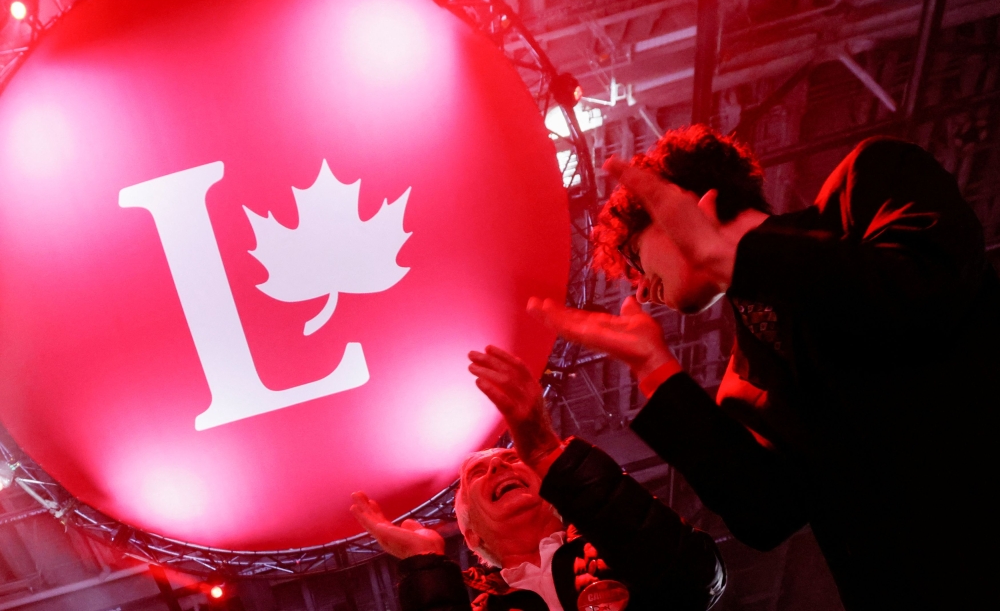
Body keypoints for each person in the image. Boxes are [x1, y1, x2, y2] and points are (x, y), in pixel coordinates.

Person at [527, 127, 1000, 610]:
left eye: (633, 259)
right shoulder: (741, 383)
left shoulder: (870, 182)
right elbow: (769, 514)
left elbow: (923, 293)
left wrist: (736, 259)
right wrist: (655, 370)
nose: (642, 292)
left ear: (684, 200)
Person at [352, 345, 726, 611]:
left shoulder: (623, 553)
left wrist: (551, 455)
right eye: (477, 474)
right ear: (471, 534)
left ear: (553, 493)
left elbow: (697, 578)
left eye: (513, 459)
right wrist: (423, 564)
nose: (498, 467)